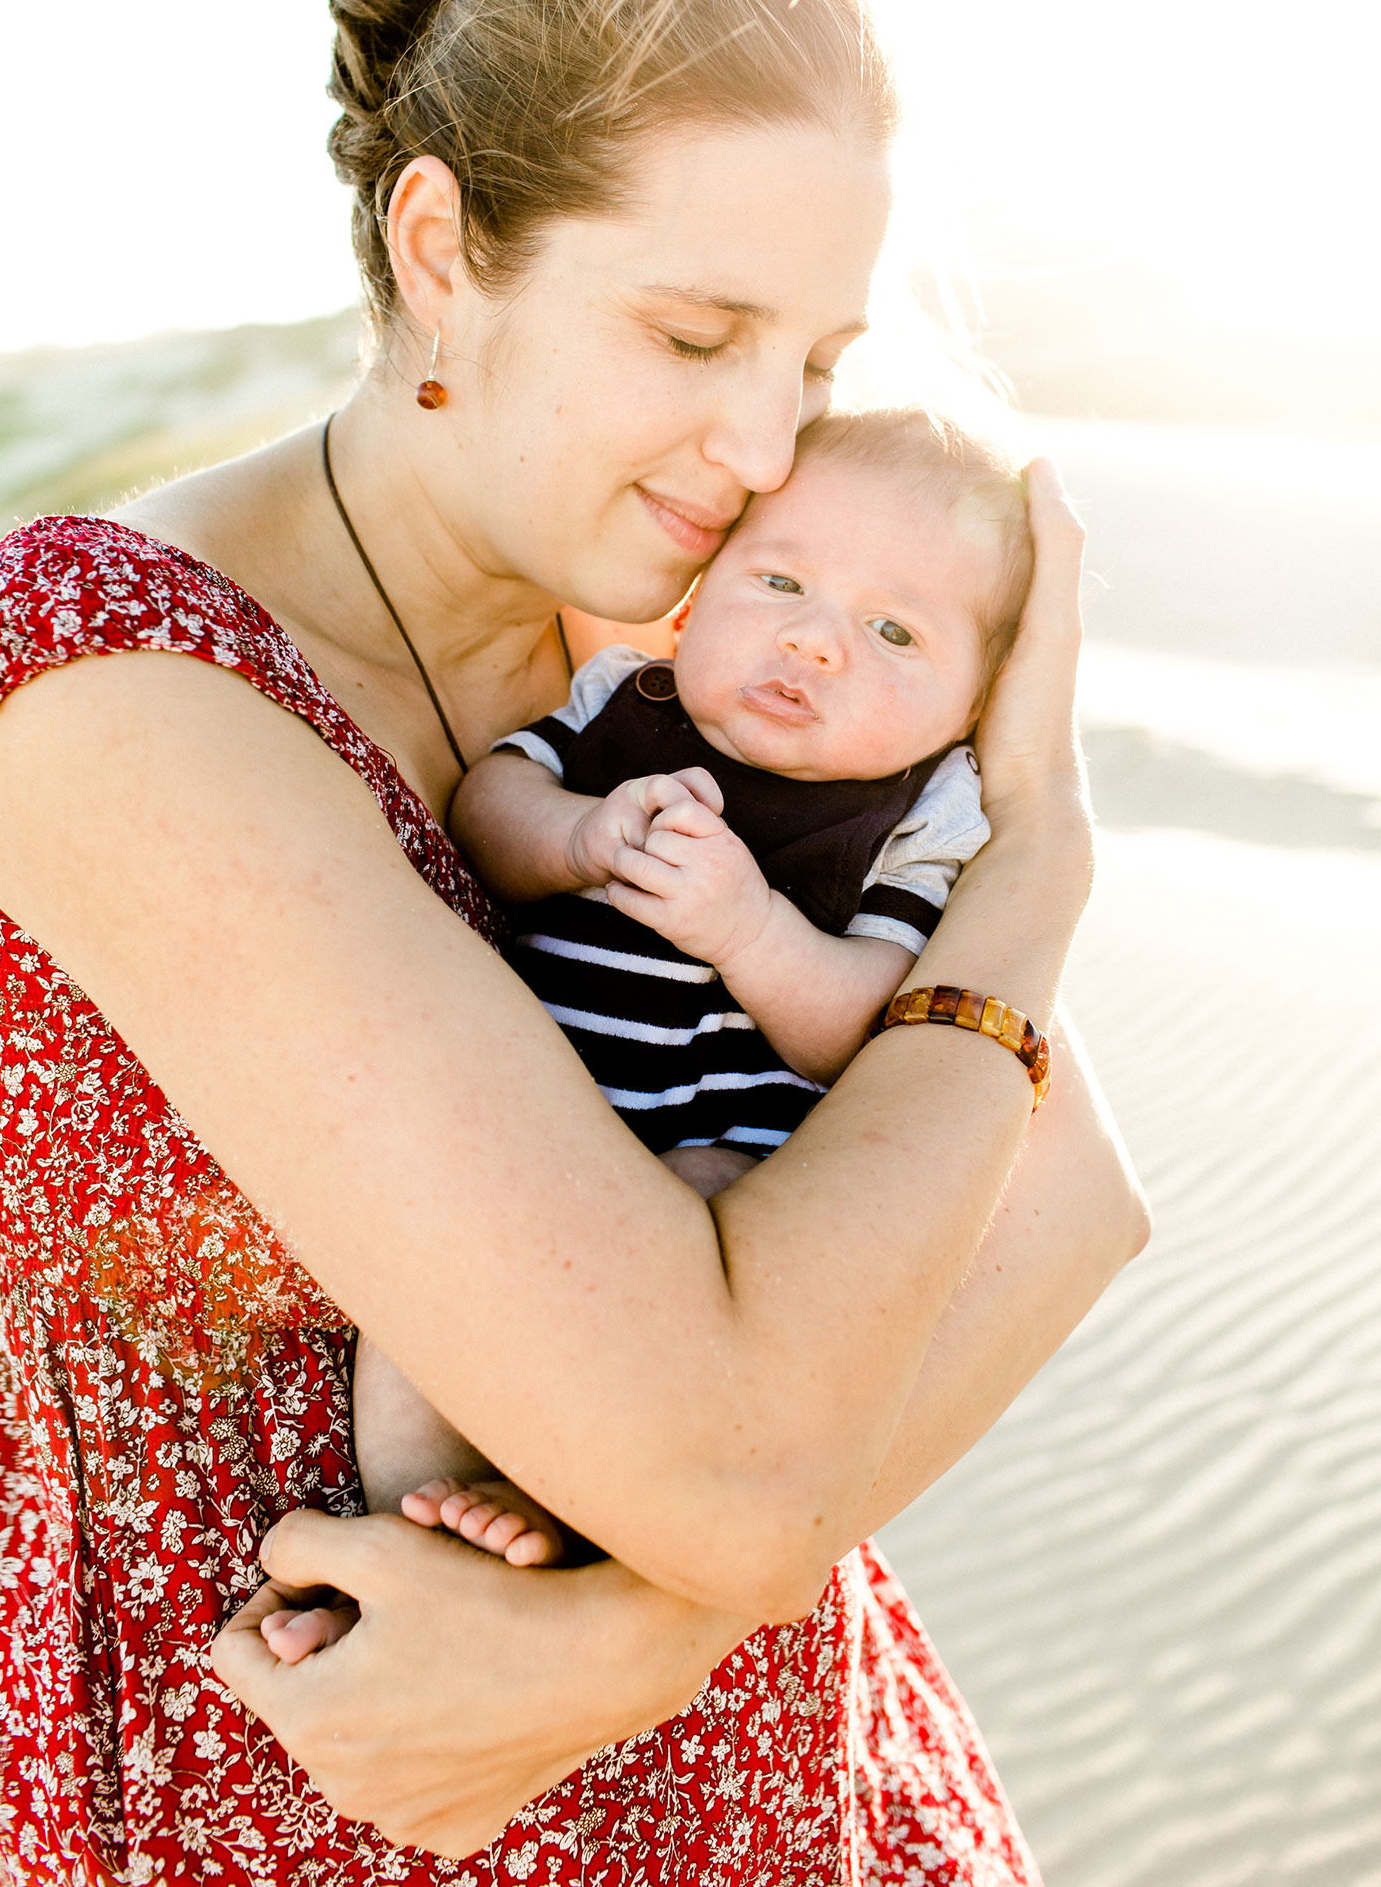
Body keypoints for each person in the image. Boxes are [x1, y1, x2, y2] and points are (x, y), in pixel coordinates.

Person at [0, 0, 1147, 1887]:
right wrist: (730, 1524)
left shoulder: (681, 637)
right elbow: (741, 1433)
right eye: (695, 338)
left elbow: (1063, 1211)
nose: (767, 444)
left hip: (798, 1787)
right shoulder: (108, 688)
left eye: (814, 359)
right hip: (338, 1818)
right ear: (441, 250)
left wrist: (649, 1630)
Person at [309, 407, 1033, 1594]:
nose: (814, 644)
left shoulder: (918, 813)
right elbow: (487, 814)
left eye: (894, 630)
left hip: (724, 1155)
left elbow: (861, 1029)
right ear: (695, 601)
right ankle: (411, 1534)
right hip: (536, 1123)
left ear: (972, 707)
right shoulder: (622, 703)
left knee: (705, 1254)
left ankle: (580, 1513)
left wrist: (749, 929)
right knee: (416, 1302)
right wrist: (579, 838)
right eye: (780, 581)